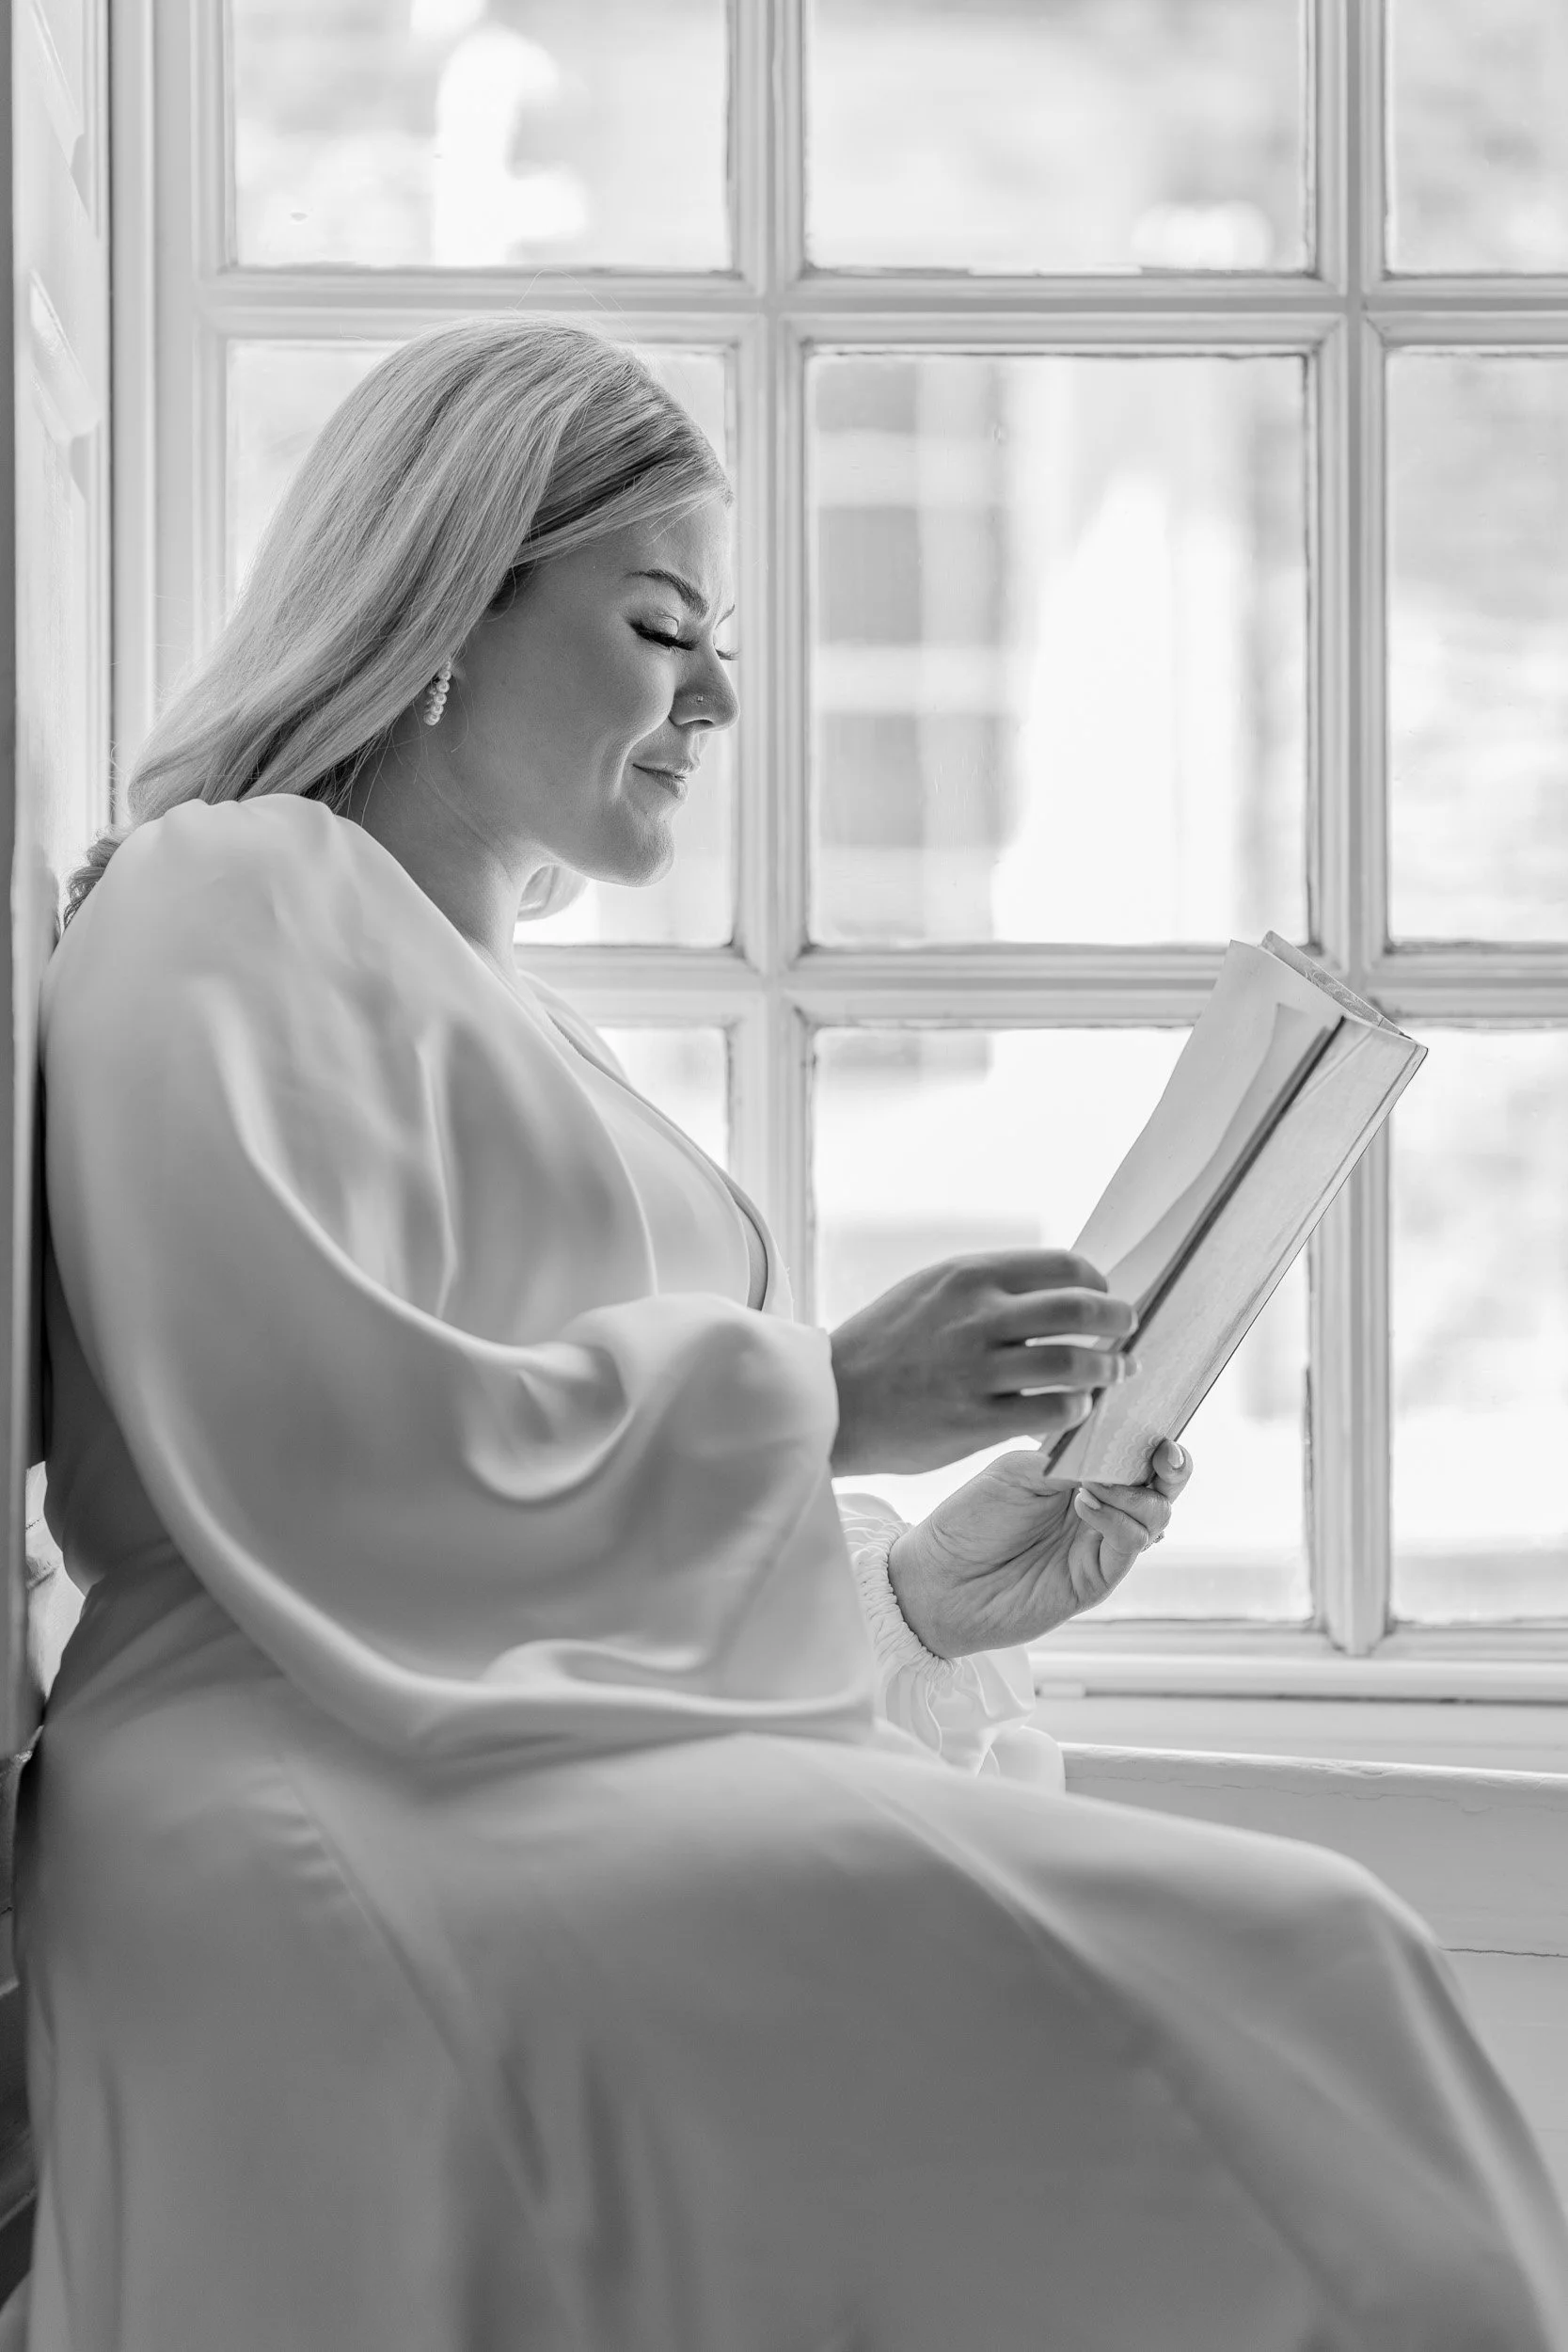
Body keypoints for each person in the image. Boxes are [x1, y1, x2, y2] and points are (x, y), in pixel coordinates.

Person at [8, 312, 1568, 2352]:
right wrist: (829, 1391)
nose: (717, 697)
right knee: (1293, 1967)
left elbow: (518, 1512)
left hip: (483, 1743)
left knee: (1293, 1990)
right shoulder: (230, 891)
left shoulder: (492, 1002)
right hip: (298, 1770)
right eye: (662, 624)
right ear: (445, 600)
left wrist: (914, 1600)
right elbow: (322, 1437)